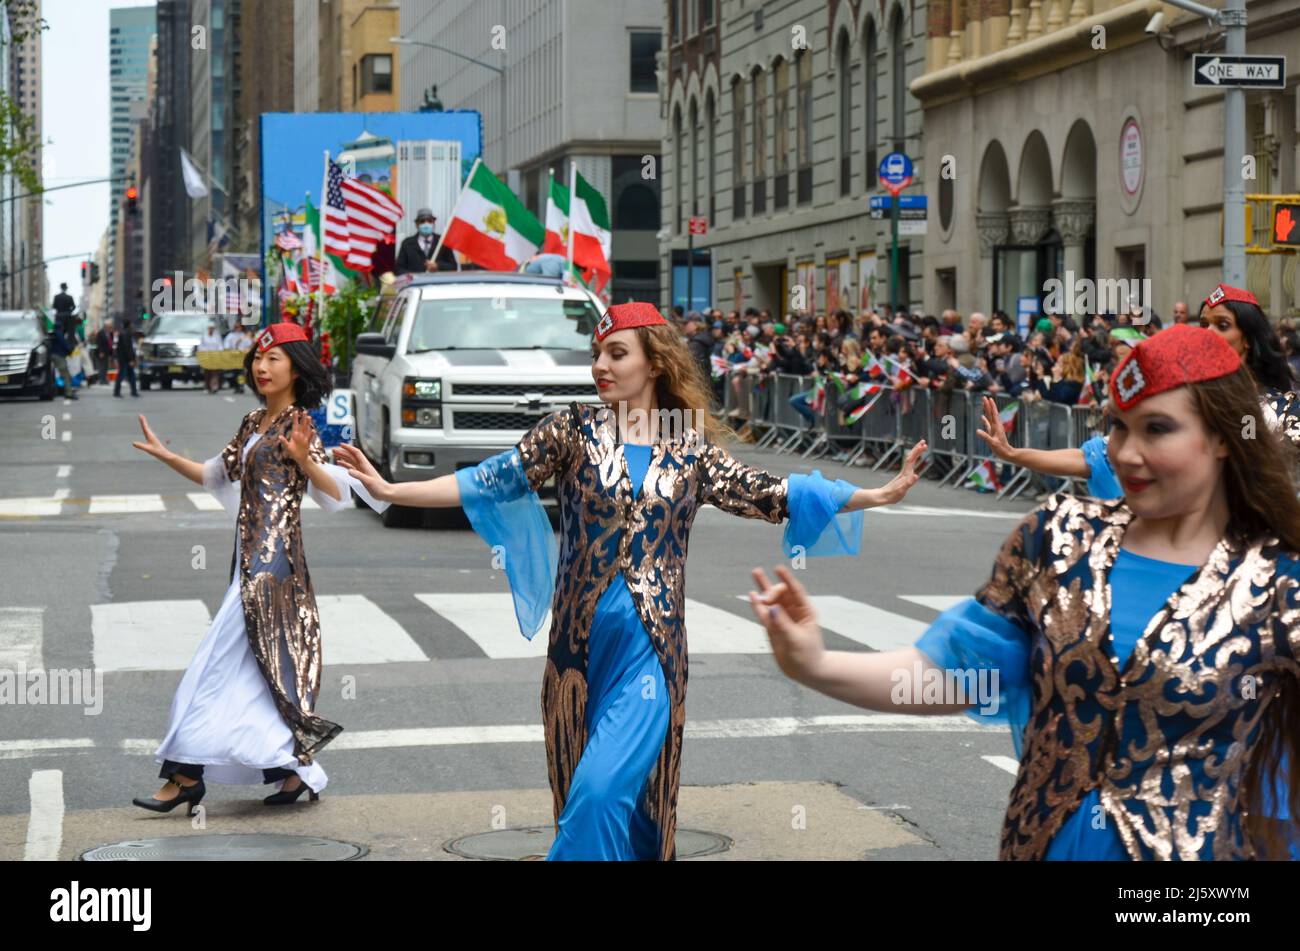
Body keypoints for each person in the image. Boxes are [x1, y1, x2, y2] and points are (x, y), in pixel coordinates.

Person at [335, 301, 929, 861]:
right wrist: (389, 490)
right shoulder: (571, 431)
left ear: (654, 362)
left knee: (600, 793)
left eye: (617, 354)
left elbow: (772, 494)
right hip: (578, 653)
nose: (600, 366)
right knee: (583, 801)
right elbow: (493, 480)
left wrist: (874, 494)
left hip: (652, 655)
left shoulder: (689, 449)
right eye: (597, 354)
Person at [750, 324, 1300, 859]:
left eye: (1157, 429)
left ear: (1226, 438)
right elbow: (953, 675)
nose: (1126, 453)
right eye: (1118, 427)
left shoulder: (1276, 579)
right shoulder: (1059, 539)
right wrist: (814, 664)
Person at [129, 322, 389, 815]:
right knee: (258, 674)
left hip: (274, 571)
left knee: (210, 668)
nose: (262, 367)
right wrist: (167, 456)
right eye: (257, 359)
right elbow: (214, 474)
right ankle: (293, 771)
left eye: (274, 359)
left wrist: (305, 462)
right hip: (245, 565)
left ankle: (185, 776)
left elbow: (335, 495)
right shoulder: (253, 423)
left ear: (296, 368)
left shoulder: (298, 425)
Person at [976, 284, 1300, 497]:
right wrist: (1014, 454)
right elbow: (1099, 457)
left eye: (1222, 325)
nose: (1209, 333)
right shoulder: (1181, 401)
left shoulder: (1286, 408)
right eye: (1204, 324)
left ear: (1248, 338)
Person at [395, 207, 457, 275]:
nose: (426, 224)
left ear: (434, 223)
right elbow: (399, 269)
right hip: (416, 284)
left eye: (429, 221)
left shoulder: (442, 241)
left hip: (438, 283)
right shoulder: (407, 243)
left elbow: (453, 266)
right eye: (422, 221)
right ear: (417, 224)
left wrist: (438, 266)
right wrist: (412, 276)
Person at [46, 311, 78, 400]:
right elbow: (64, 344)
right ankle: (68, 393)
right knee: (66, 375)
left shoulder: (53, 333)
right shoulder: (59, 333)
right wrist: (69, 349)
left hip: (54, 355)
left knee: (57, 375)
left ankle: (61, 391)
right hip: (59, 356)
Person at [223, 322, 253, 393]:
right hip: (233, 356)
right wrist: (228, 350)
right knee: (235, 372)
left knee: (241, 372)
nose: (237, 329)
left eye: (239, 327)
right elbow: (226, 344)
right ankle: (236, 386)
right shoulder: (230, 335)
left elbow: (248, 344)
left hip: (241, 356)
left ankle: (241, 385)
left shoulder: (244, 335)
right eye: (236, 327)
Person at [113, 319, 139, 399]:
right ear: (129, 324)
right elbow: (127, 348)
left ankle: (133, 391)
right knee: (122, 375)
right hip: (125, 359)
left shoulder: (123, 333)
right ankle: (117, 392)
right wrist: (131, 359)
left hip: (124, 358)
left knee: (130, 375)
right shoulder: (126, 334)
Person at [198, 321, 225, 393]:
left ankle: (214, 386)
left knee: (215, 372)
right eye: (210, 328)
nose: (211, 329)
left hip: (215, 356)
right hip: (207, 357)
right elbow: (201, 346)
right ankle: (207, 387)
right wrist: (205, 352)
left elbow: (220, 345)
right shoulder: (204, 336)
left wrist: (219, 351)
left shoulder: (217, 336)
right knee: (207, 373)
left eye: (212, 328)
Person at [93, 320, 114, 386]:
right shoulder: (101, 333)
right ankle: (101, 380)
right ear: (105, 326)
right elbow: (99, 343)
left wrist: (111, 353)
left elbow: (110, 343)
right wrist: (101, 352)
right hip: (101, 352)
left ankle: (104, 379)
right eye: (109, 326)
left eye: (110, 326)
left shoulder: (110, 333)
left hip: (107, 352)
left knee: (106, 367)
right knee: (101, 367)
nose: (110, 328)